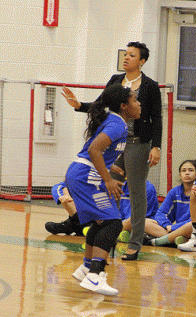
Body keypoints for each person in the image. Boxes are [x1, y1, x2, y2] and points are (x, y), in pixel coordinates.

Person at [62, 41, 162, 261]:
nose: (126, 58)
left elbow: (157, 118)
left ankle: (135, 243)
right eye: (125, 54)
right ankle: (108, 242)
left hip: (138, 143)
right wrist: (79, 105)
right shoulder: (116, 82)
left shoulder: (150, 85)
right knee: (111, 190)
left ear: (142, 61)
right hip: (116, 145)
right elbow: (100, 106)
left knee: (136, 192)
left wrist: (156, 145)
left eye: (132, 55)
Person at [67, 83, 141, 295]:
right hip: (85, 177)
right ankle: (94, 275)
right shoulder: (117, 125)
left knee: (103, 222)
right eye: (135, 100)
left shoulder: (116, 121)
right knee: (113, 224)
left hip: (83, 174)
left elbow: (100, 151)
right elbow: (93, 149)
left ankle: (87, 268)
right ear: (124, 106)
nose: (139, 104)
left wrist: (109, 167)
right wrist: (108, 179)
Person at [149, 160, 196, 246]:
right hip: (174, 229)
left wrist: (174, 227)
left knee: (192, 225)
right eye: (184, 170)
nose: (187, 173)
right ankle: (177, 239)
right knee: (147, 222)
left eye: (191, 170)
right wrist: (167, 225)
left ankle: (160, 241)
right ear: (180, 175)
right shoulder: (174, 192)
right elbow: (160, 213)